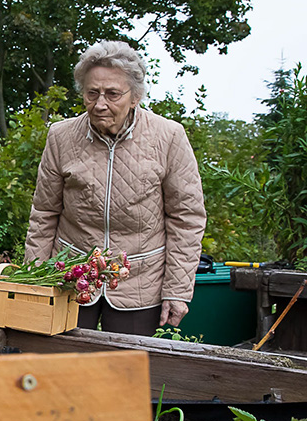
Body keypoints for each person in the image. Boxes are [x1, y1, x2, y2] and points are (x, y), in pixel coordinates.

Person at [24, 40, 206, 336]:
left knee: (127, 364)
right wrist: (33, 280)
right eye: (92, 93)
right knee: (62, 361)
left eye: (112, 94)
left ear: (135, 97)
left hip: (139, 281)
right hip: (70, 276)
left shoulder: (169, 137)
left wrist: (177, 289)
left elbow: (187, 219)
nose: (100, 104)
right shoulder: (60, 136)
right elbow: (44, 213)